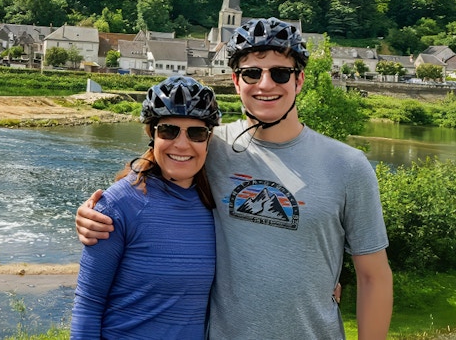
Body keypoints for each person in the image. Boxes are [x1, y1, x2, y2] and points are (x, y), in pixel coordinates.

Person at [76, 17, 393, 339]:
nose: (265, 84)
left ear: (299, 80)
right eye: (252, 73)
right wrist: (96, 213)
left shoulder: (348, 165)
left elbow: (374, 278)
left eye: (280, 73)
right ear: (236, 81)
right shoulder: (209, 145)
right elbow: (155, 168)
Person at [70, 76, 220, 340]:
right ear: (152, 134)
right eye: (168, 131)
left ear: (209, 140)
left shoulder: (217, 203)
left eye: (196, 133)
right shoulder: (118, 204)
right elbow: (88, 304)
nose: (182, 144)